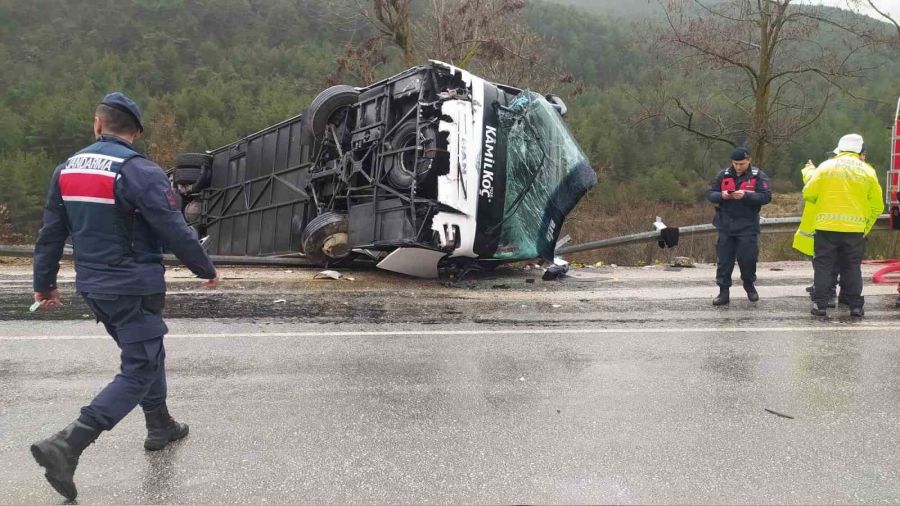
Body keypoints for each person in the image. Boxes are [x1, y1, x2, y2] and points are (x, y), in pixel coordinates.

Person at [29, 92, 219, 500]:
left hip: (95, 289)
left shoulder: (66, 170)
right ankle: (69, 444)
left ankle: (160, 425)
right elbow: (173, 226)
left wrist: (44, 283)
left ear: (98, 124)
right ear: (135, 132)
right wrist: (205, 268)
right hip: (133, 286)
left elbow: (50, 234)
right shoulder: (139, 171)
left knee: (149, 353)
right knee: (139, 366)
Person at [803, 133, 883, 317]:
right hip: (854, 230)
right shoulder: (867, 171)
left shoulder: (826, 167)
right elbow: (877, 205)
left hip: (826, 227)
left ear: (839, 149)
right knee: (852, 266)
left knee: (824, 266)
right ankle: (856, 307)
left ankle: (820, 306)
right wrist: (865, 226)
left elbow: (809, 194)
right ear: (860, 152)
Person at [707, 147, 772, 305]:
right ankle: (723, 292)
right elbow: (710, 193)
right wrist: (721, 195)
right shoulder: (723, 175)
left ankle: (749, 285)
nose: (738, 167)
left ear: (748, 160)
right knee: (724, 261)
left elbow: (766, 197)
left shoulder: (758, 176)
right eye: (735, 163)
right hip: (726, 225)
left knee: (748, 259)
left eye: (741, 164)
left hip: (747, 225)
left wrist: (746, 195)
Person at [794, 159, 842, 307]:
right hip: (828, 226)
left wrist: (809, 168)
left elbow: (811, 179)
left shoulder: (824, 176)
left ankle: (828, 291)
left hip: (826, 227)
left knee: (826, 263)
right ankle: (825, 288)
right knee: (825, 261)